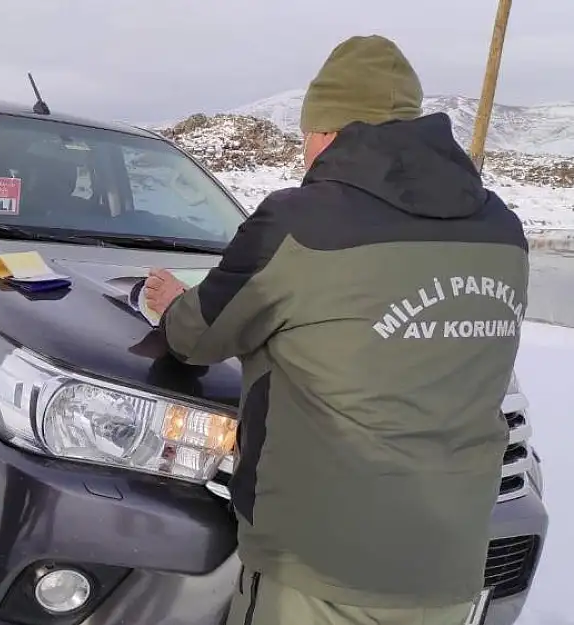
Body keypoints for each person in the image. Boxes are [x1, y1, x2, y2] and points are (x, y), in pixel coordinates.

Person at [144, 35, 528, 625]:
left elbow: (197, 336)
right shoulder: (502, 230)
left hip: (320, 566)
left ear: (328, 131)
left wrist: (172, 303)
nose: (305, 156)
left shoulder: (301, 224)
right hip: (450, 565)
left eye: (306, 138)